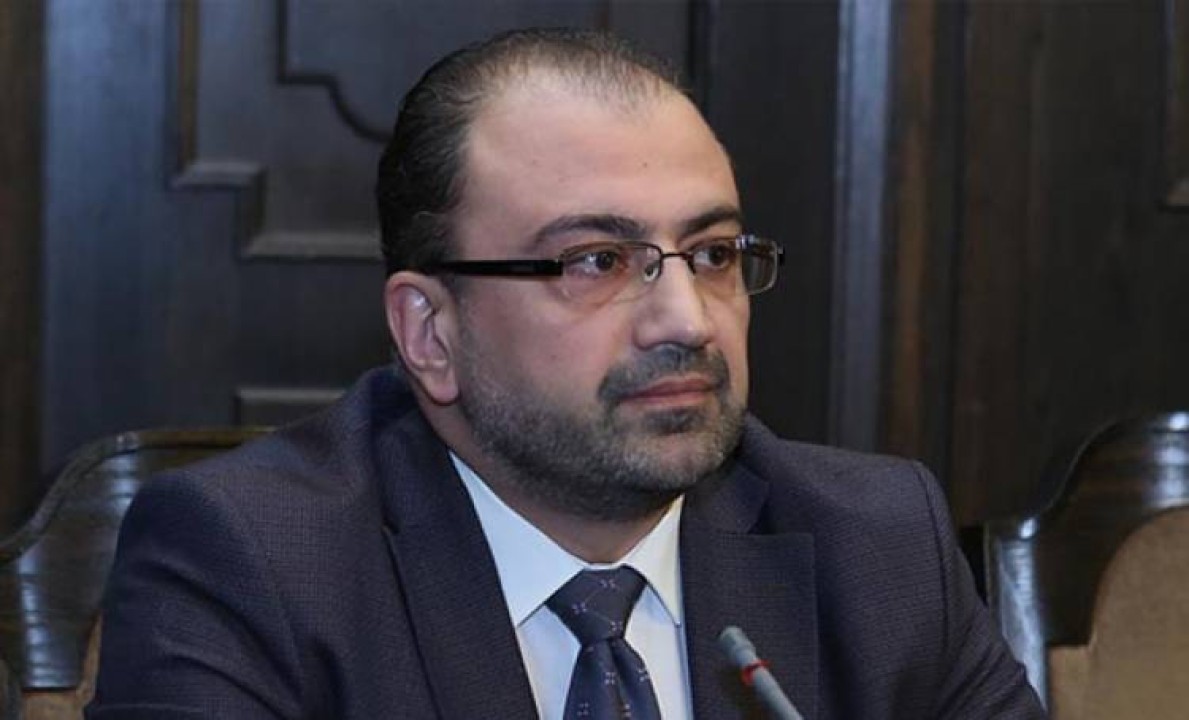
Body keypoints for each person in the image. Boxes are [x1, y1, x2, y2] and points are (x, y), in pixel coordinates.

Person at [88, 28, 1045, 720]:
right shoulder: (247, 562)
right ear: (430, 333)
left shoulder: (878, 547)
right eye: (597, 262)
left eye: (712, 254)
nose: (686, 320)